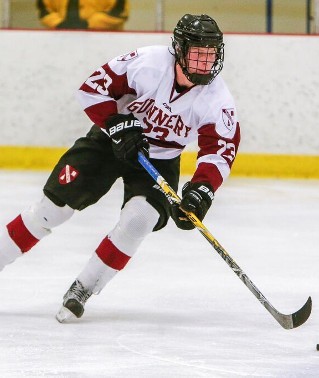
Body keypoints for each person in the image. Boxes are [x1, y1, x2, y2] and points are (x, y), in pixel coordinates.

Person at [0, 14, 240, 322]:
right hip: (109, 142)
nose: (204, 63)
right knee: (52, 209)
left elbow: (219, 152)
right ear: (179, 50)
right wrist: (117, 124)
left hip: (160, 159)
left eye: (210, 55)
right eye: (197, 54)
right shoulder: (147, 63)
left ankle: (83, 288)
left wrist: (201, 190)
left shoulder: (218, 100)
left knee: (139, 220)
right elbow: (91, 89)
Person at [37, 0, 129, 30]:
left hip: (104, 41)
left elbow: (119, 11)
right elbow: (44, 10)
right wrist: (58, 23)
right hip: (61, 39)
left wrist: (88, 24)